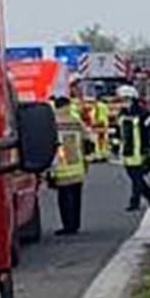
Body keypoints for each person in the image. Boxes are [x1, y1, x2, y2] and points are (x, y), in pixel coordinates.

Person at [48, 95, 90, 234]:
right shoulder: (76, 121)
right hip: (77, 166)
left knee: (64, 199)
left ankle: (67, 226)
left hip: (61, 167)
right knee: (76, 197)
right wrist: (86, 161)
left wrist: (48, 171)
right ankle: (75, 224)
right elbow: (88, 140)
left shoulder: (52, 123)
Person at [115, 84, 150, 211]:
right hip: (127, 153)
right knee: (136, 178)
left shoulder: (144, 114)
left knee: (137, 179)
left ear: (132, 99)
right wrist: (115, 144)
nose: (123, 103)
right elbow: (119, 131)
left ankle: (134, 202)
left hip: (140, 152)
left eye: (125, 100)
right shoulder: (122, 114)